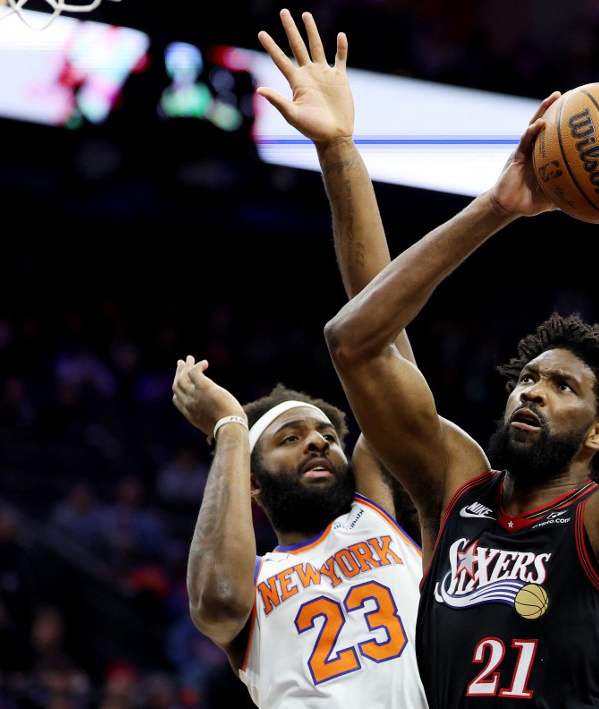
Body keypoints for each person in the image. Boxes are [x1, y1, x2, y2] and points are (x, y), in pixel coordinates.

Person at [323, 77, 599, 705]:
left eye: (563, 386)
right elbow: (355, 339)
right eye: (527, 378)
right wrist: (496, 206)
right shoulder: (456, 488)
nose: (532, 393)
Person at [171, 9, 427, 709]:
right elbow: (216, 604)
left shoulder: (378, 509)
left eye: (324, 433)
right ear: (252, 486)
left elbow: (380, 316)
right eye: (289, 437)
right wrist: (230, 429)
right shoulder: (249, 582)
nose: (318, 440)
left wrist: (338, 148)